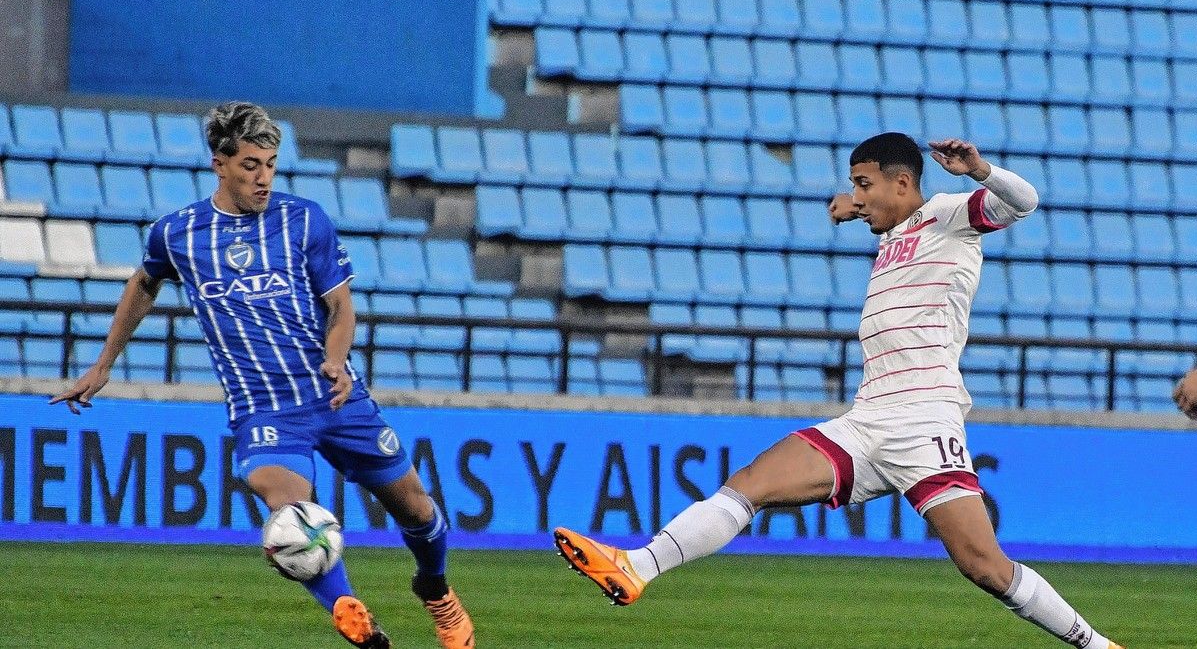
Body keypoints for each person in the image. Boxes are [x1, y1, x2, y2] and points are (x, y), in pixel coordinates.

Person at [553, 133, 1124, 649]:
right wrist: (856, 205)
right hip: (866, 419)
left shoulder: (951, 216)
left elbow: (1024, 201)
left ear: (903, 182)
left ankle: (1095, 645)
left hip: (923, 421)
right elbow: (878, 211)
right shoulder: (895, 227)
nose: (857, 193)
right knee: (749, 484)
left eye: (864, 182)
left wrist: (979, 169)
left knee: (984, 565)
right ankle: (636, 566)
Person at [50, 102, 475, 649]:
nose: (264, 177)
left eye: (271, 164)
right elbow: (144, 283)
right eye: (251, 164)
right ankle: (349, 610)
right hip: (264, 410)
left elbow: (341, 309)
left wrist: (337, 359)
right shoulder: (177, 234)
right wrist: (103, 363)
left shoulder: (304, 220)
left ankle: (434, 587)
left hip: (334, 396)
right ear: (219, 164)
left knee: (415, 506)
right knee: (293, 514)